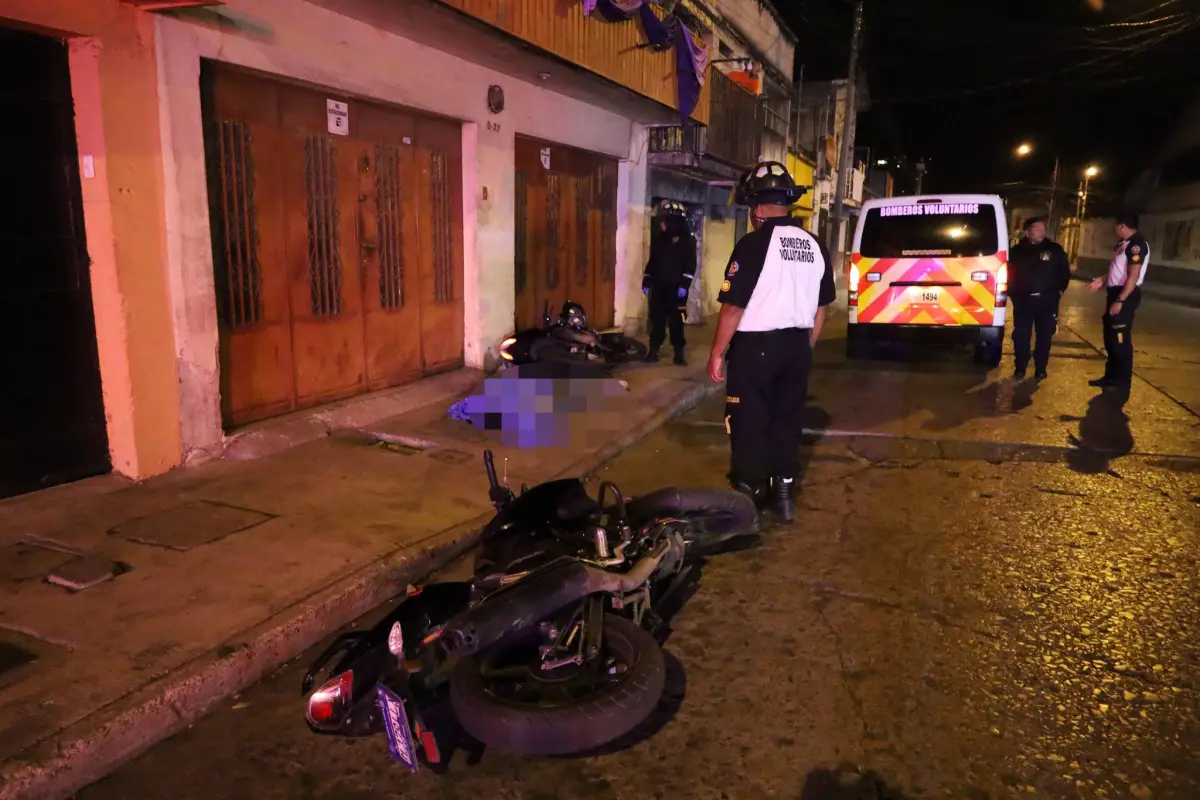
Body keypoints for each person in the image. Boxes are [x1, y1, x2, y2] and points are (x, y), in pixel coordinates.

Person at [706, 162, 835, 522]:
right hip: (797, 347)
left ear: (759, 209)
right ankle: (784, 492)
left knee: (748, 420)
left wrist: (716, 354)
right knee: (786, 419)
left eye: (750, 208)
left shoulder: (753, 244)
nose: (751, 215)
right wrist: (804, 347)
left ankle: (749, 493)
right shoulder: (815, 246)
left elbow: (733, 307)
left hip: (756, 348)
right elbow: (821, 307)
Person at [1087, 212, 1150, 392]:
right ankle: (1110, 377)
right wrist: (1103, 279)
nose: (1114, 229)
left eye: (1115, 225)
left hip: (1125, 295)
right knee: (1110, 338)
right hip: (1116, 291)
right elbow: (1120, 272)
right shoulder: (1124, 244)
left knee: (1120, 339)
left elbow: (1133, 275)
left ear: (1122, 226)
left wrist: (1120, 299)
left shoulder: (1136, 245)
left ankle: (1122, 381)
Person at [1007, 216, 1071, 380]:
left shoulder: (1054, 249)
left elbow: (1064, 272)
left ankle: (1040, 368)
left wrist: (1059, 292)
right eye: (1037, 229)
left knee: (1044, 336)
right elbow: (1008, 274)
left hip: (1047, 302)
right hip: (1023, 301)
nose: (1042, 231)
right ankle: (1020, 366)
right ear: (1028, 232)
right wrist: (1013, 293)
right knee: (1021, 335)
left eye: (1043, 228)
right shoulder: (1016, 251)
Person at [642, 200, 696, 365]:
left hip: (676, 289)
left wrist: (684, 287)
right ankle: (653, 351)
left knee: (676, 322)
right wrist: (647, 279)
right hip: (659, 288)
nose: (662, 224)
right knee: (656, 320)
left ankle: (679, 355)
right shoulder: (661, 239)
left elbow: (690, 265)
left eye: (664, 221)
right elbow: (653, 261)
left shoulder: (687, 241)